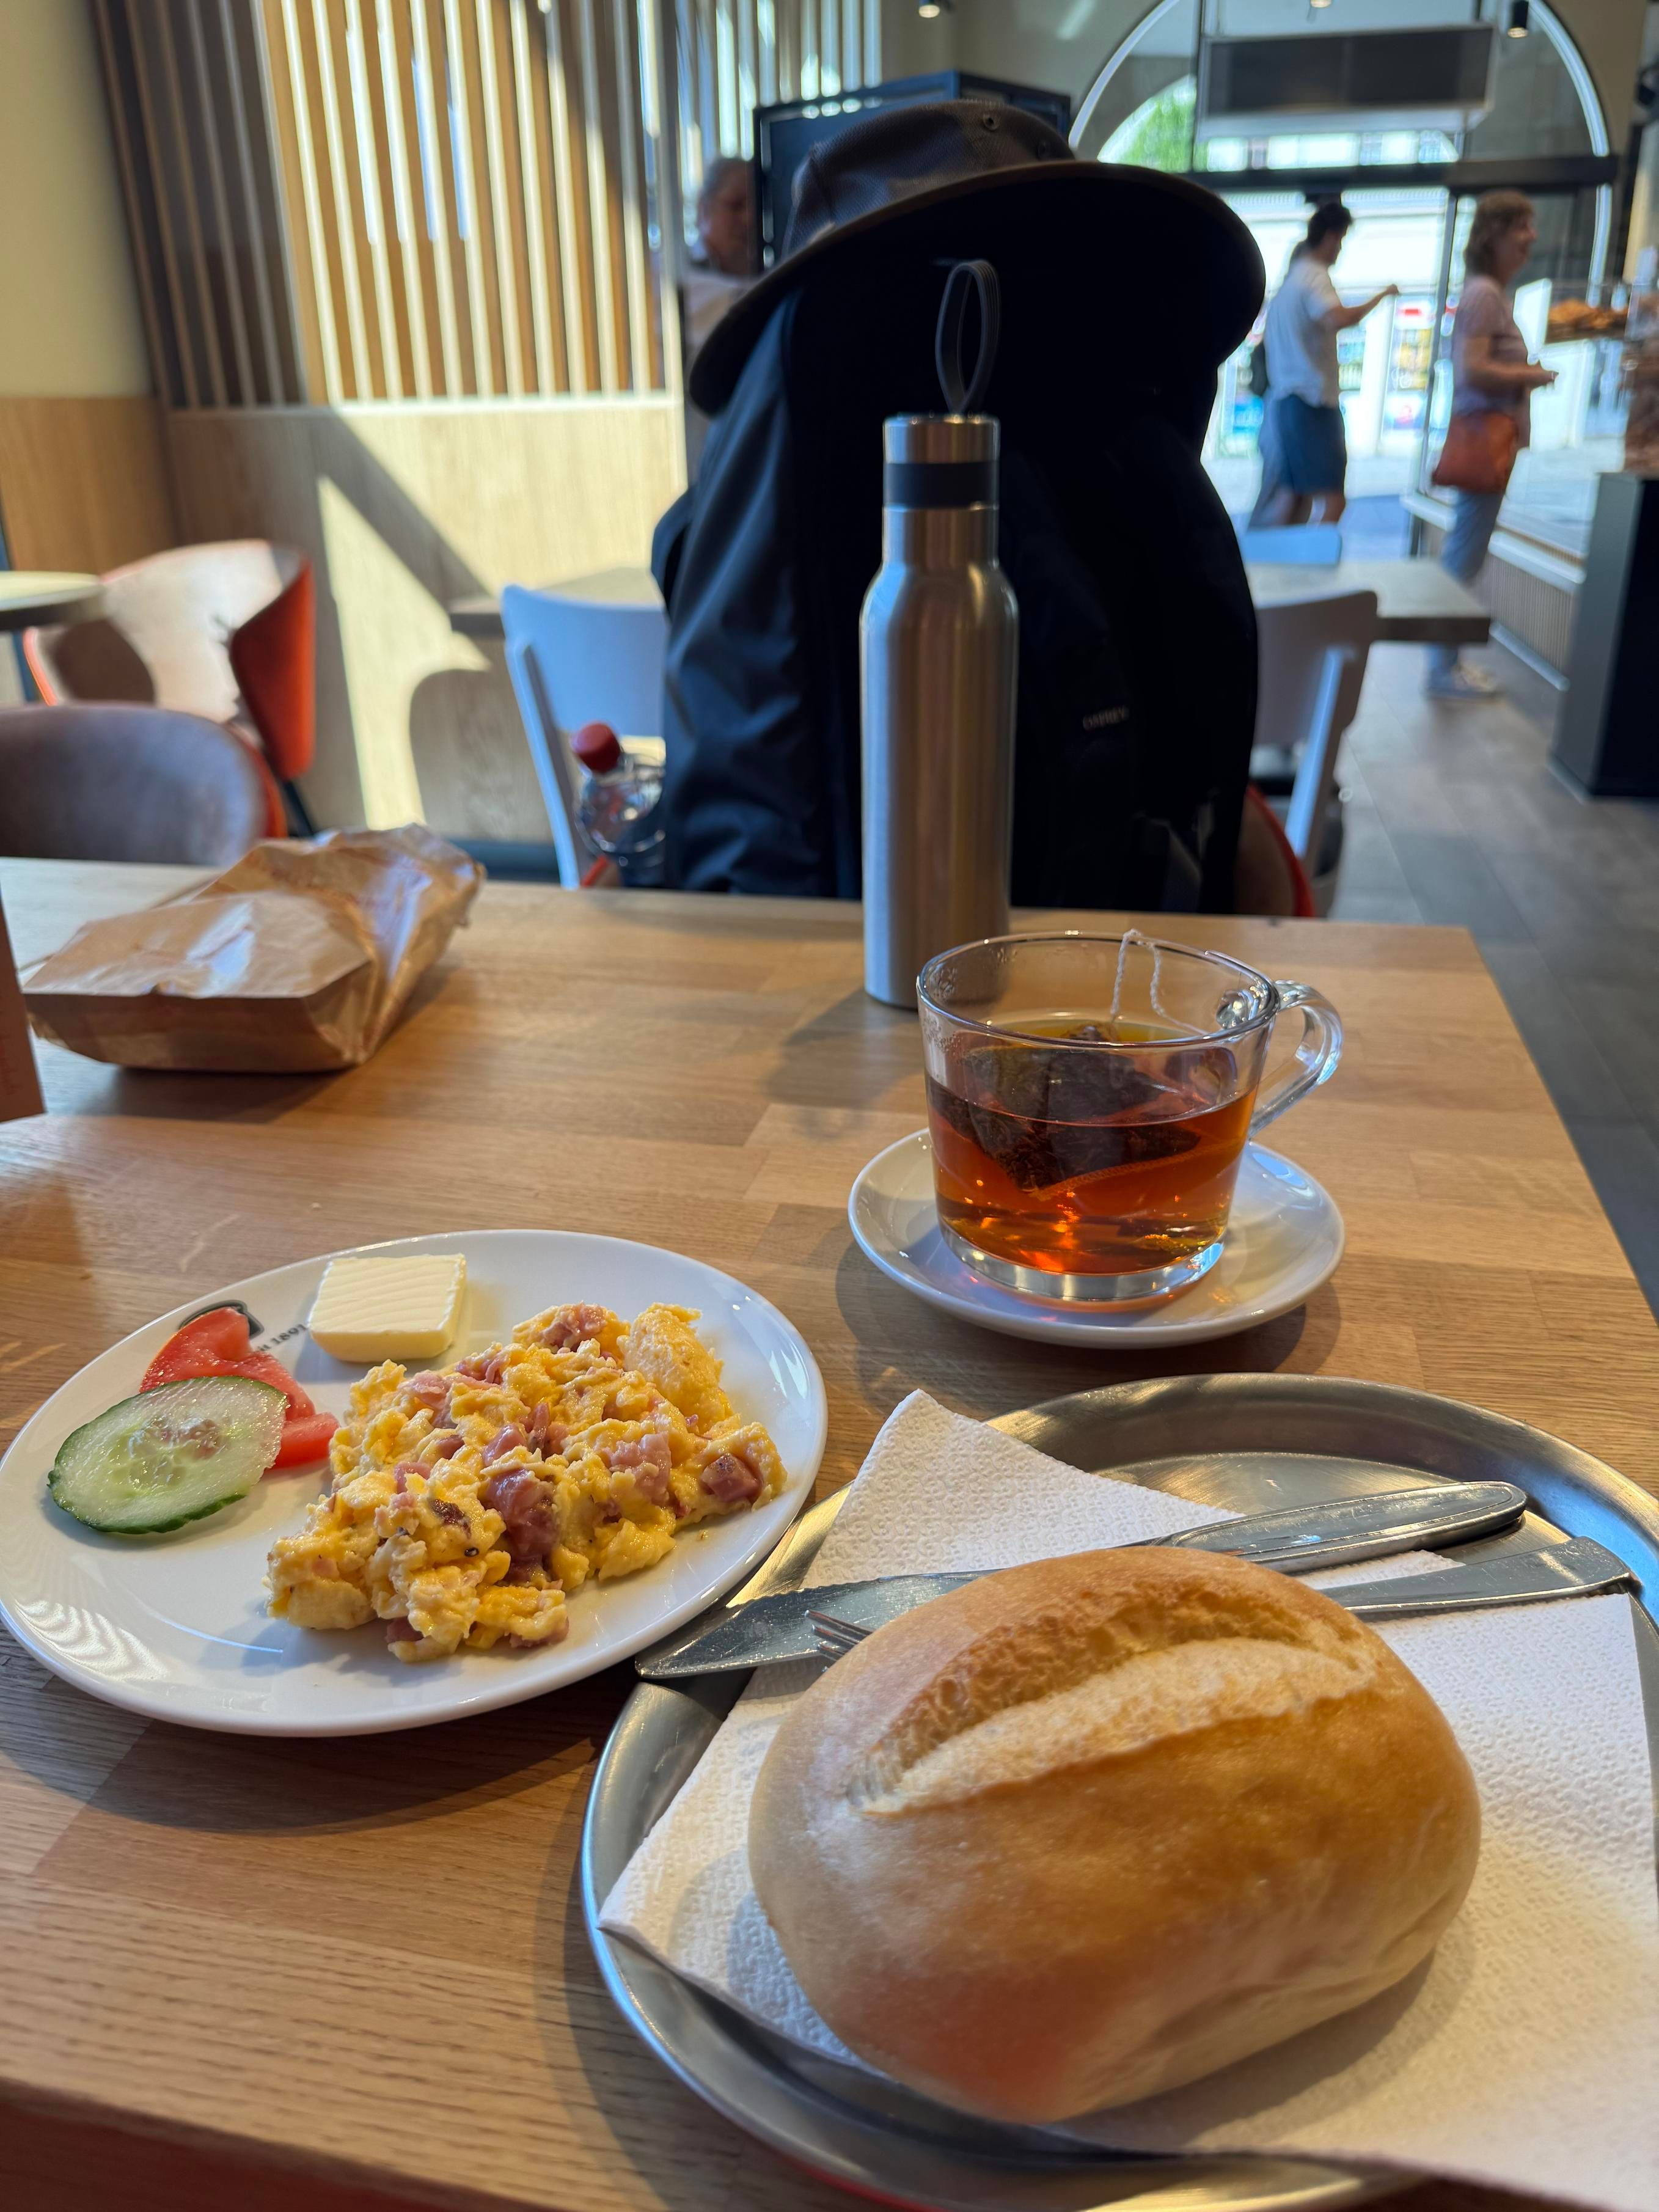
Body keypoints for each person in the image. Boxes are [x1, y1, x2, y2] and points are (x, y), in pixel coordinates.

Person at [1426, 191, 1556, 701]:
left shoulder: (1489, 293)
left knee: (1466, 553)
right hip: (1484, 440)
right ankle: (1443, 667)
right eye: (1521, 226)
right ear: (1494, 235)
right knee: (1464, 557)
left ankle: (1446, 663)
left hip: (1491, 440)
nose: (1531, 237)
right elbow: (1470, 369)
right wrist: (1530, 375)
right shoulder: (1484, 295)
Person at [1262, 202, 1397, 526]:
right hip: (1312, 401)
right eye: (1341, 241)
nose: (1340, 250)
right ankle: (1308, 561)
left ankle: (1270, 557)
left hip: (1288, 401)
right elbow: (1337, 318)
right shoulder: (1315, 277)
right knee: (1333, 500)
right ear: (1331, 237)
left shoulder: (1291, 280)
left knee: (1293, 497)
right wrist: (1382, 296)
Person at [681, 156, 755, 361]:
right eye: (736, 205)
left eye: (757, 206)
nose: (749, 219)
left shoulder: (771, 264)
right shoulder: (677, 273)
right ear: (703, 208)